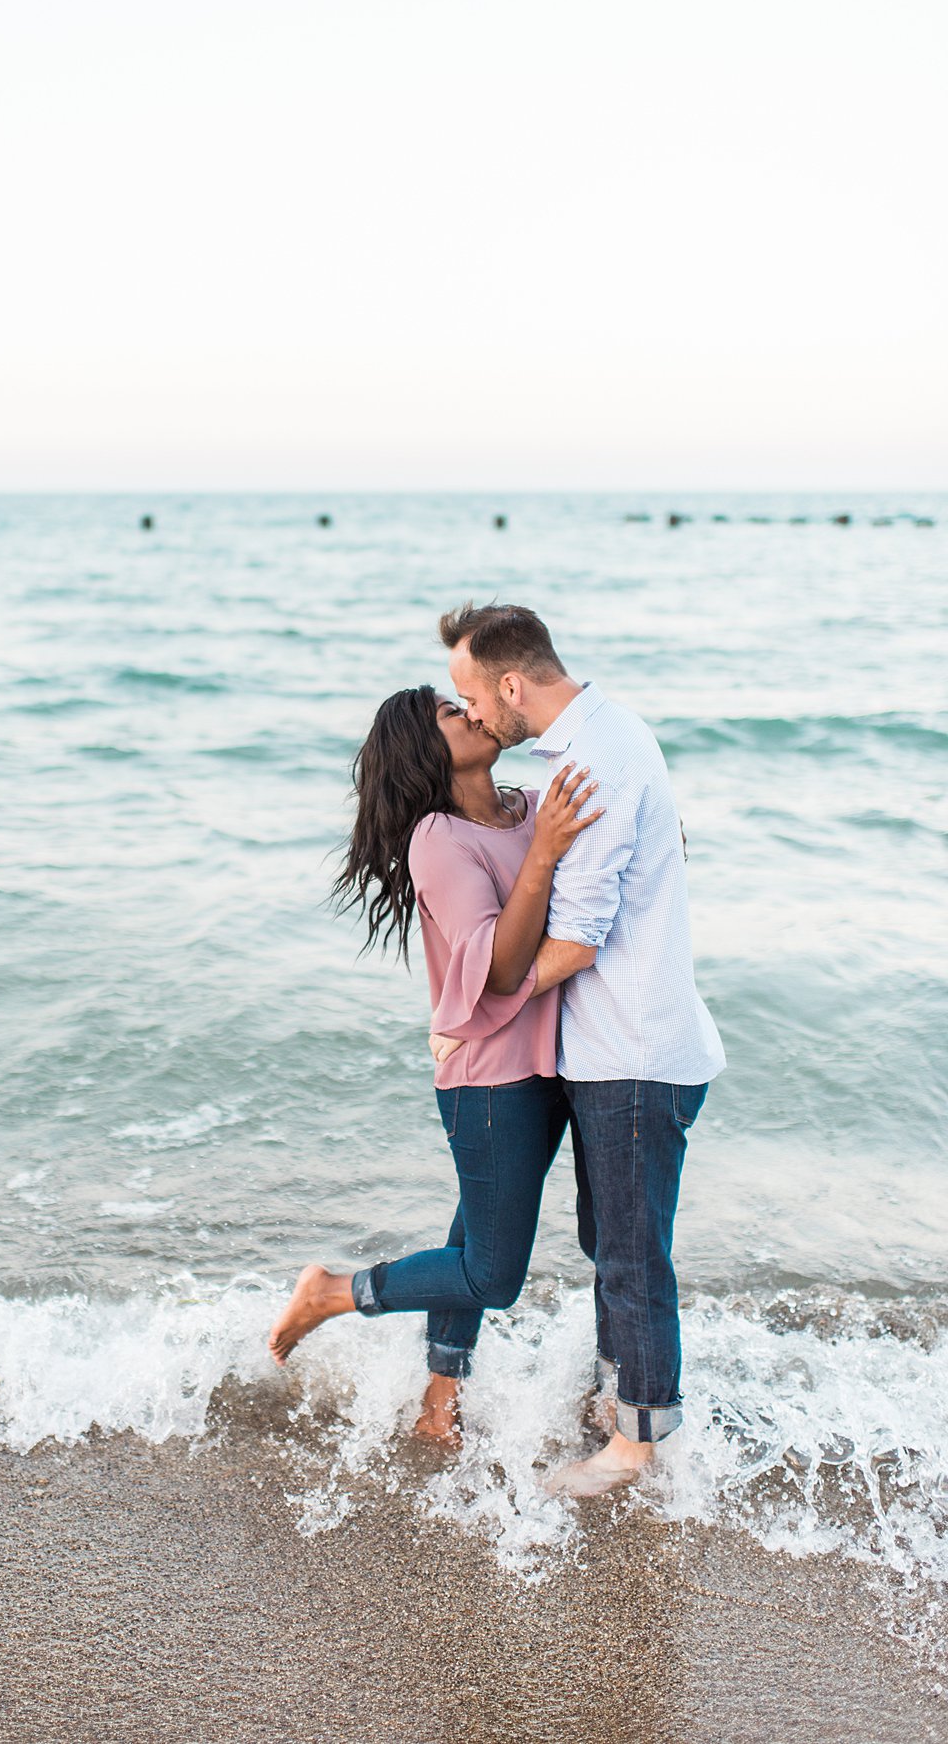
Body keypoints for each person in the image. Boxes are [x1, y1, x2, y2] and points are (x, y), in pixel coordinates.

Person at [440, 601, 725, 1494]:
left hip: (632, 1051)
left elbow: (581, 939)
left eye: (474, 697)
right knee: (614, 1240)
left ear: (513, 685)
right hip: (622, 1048)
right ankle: (623, 1400)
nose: (476, 716)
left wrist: (485, 1000)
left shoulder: (594, 760)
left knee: (633, 1253)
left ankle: (636, 1447)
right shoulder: (605, 735)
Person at [267, 685, 601, 1443]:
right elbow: (502, 967)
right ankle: (332, 1291)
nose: (473, 711)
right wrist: (548, 849)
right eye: (454, 713)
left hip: (554, 1061)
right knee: (493, 1274)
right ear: (428, 750)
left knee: (470, 1239)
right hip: (490, 1078)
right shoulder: (439, 840)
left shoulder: (524, 805)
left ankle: (437, 1403)